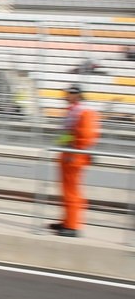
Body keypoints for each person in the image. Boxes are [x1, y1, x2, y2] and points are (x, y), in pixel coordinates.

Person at [50, 84, 100, 238]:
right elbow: (69, 133)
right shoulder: (74, 111)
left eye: (67, 94)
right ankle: (66, 221)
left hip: (74, 157)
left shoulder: (84, 112)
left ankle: (72, 227)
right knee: (66, 191)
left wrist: (73, 150)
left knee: (72, 192)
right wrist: (61, 145)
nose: (64, 96)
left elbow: (86, 137)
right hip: (68, 155)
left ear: (76, 95)